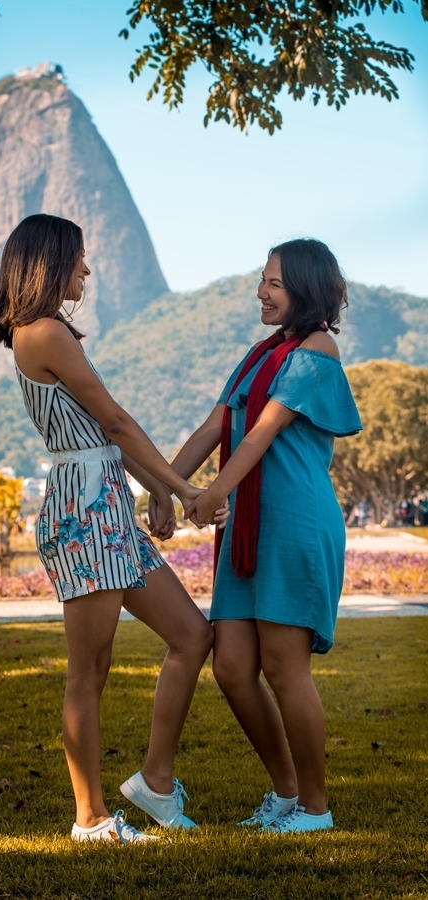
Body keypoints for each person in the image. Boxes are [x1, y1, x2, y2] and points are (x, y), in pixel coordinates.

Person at [0, 214, 214, 844]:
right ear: (51, 263)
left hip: (105, 502)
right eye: (79, 259)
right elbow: (113, 421)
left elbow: (106, 433)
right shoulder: (44, 332)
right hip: (85, 511)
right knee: (89, 671)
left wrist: (159, 488)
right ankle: (89, 819)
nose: (87, 269)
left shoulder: (53, 333)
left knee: (193, 635)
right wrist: (185, 487)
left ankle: (154, 782)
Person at [151, 238, 362, 833]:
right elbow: (217, 425)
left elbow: (264, 430)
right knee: (233, 666)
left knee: (284, 665)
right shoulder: (259, 353)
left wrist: (213, 494)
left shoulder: (318, 348)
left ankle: (315, 809)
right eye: (261, 280)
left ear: (305, 287)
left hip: (292, 519)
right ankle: (288, 790)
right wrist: (168, 486)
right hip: (248, 525)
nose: (261, 291)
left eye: (273, 282)